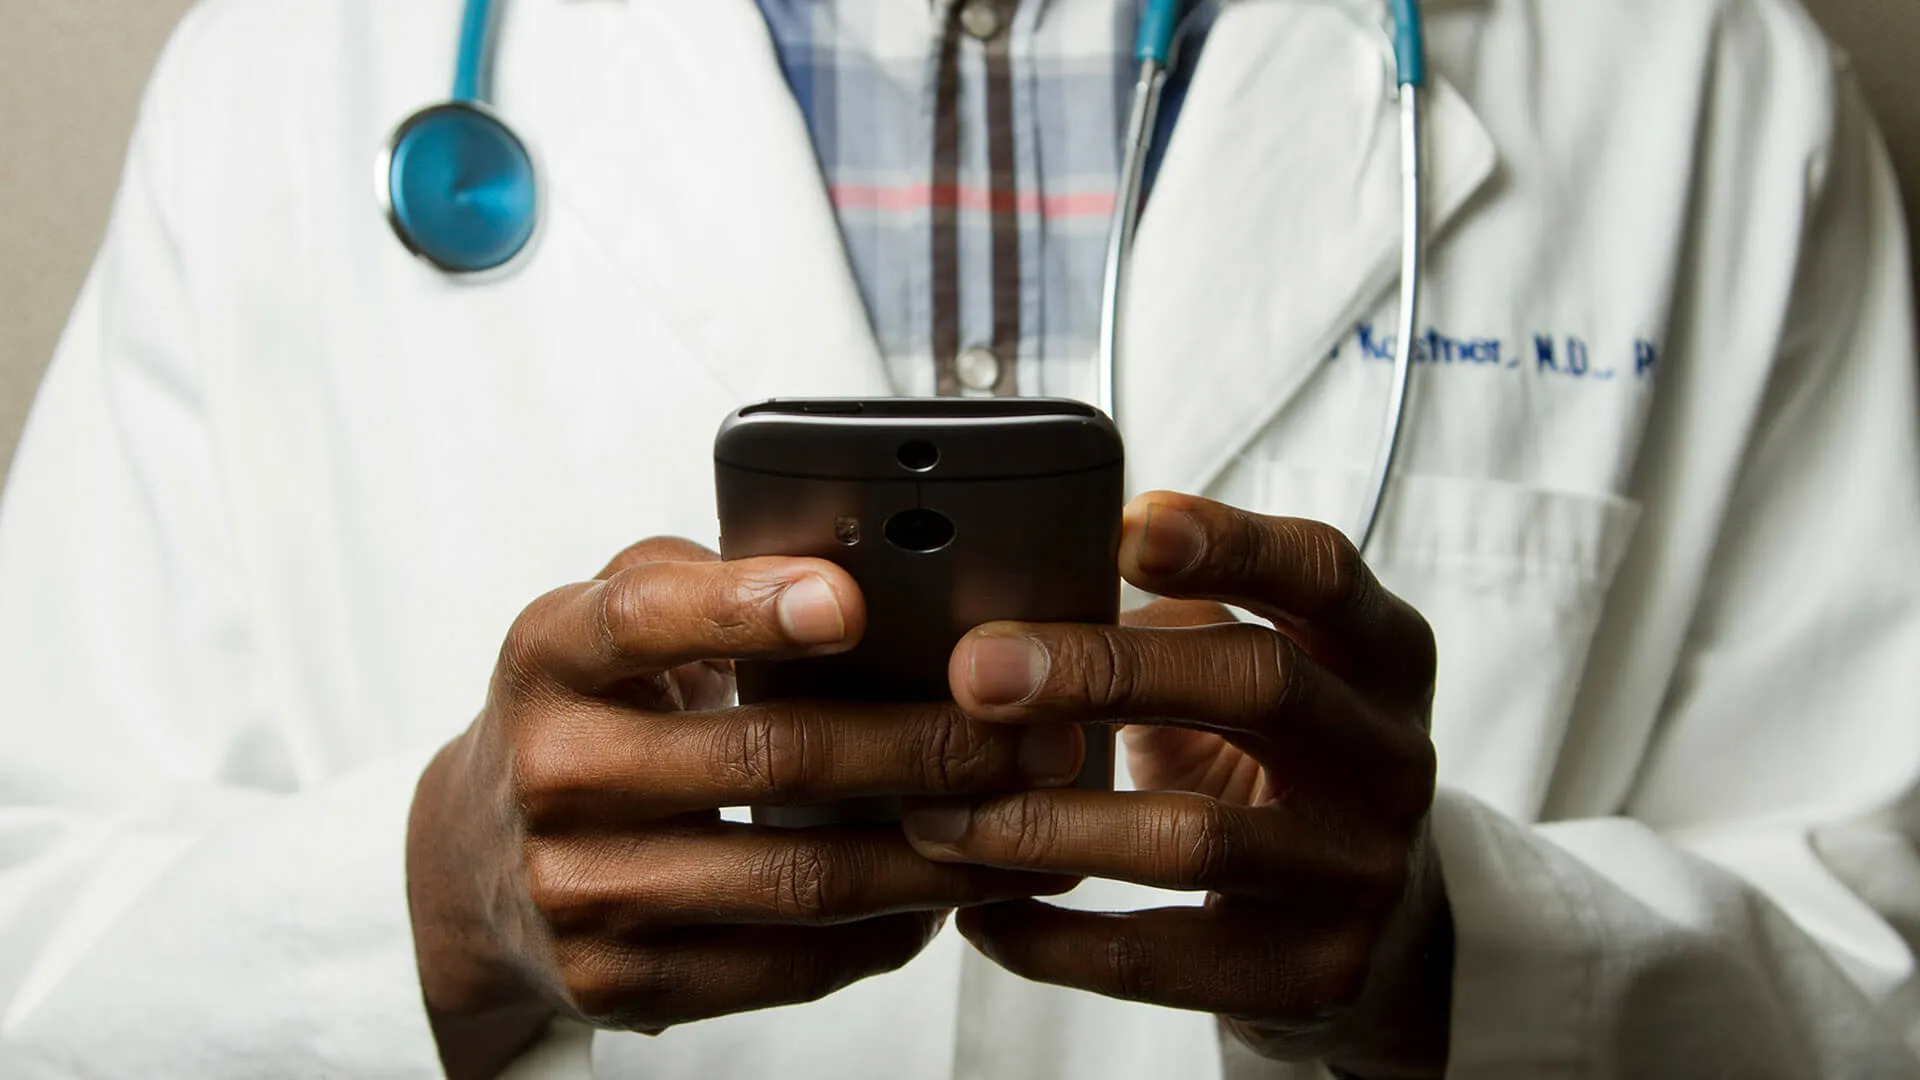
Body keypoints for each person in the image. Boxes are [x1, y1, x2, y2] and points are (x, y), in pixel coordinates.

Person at [2, 0, 1918, 1076]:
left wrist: (1458, 959)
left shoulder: (1706, 82)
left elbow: (1881, 945)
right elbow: (41, 955)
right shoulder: (283, 79)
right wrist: (436, 909)